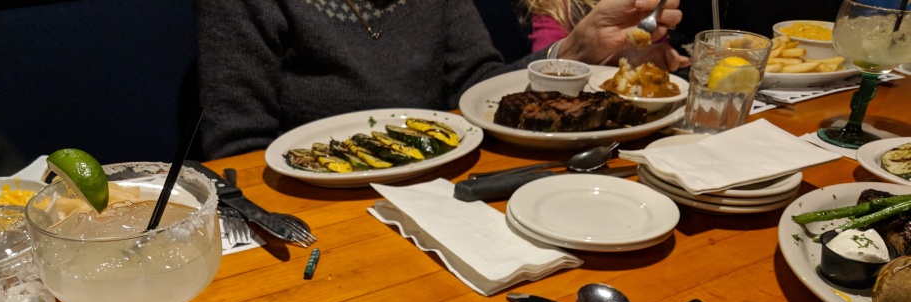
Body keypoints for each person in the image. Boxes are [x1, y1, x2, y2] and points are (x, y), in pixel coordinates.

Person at [194, 0, 683, 159]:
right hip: (319, 210)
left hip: (442, 183)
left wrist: (574, 52)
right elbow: (238, 148)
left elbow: (478, 87)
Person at [523, 0, 687, 70]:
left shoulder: (644, 8)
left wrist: (640, 57)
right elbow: (541, 69)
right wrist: (615, 62)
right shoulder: (557, 7)